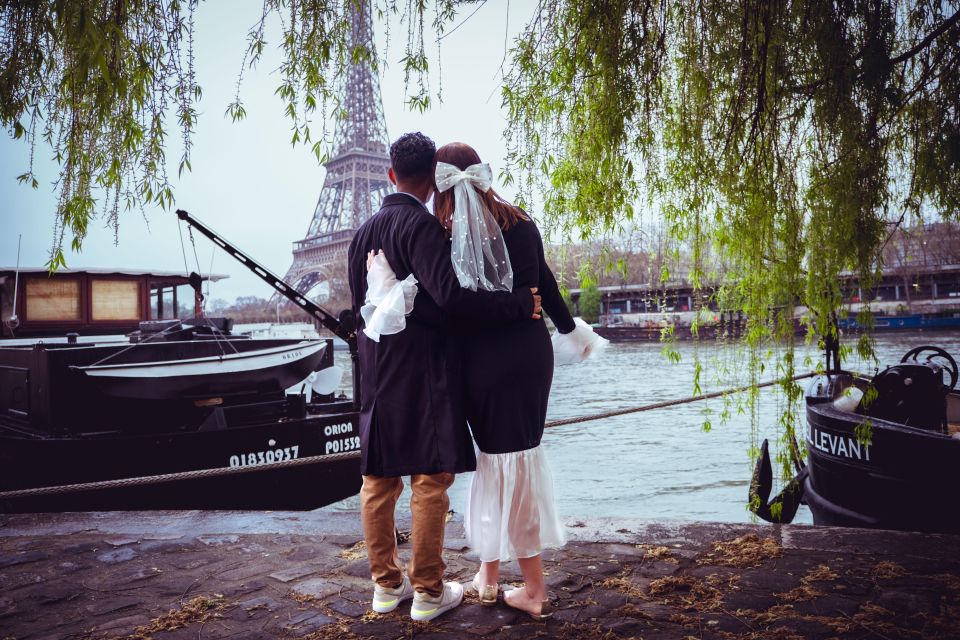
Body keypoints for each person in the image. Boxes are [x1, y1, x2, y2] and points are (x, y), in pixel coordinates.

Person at [346, 132, 542, 622]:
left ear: (390, 174)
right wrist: (520, 304)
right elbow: (452, 300)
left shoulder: (361, 235)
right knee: (430, 480)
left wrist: (390, 300)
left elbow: (358, 312)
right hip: (424, 370)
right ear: (434, 181)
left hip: (376, 372)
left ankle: (385, 587)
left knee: (377, 479)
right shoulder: (423, 229)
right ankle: (430, 593)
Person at [432, 142, 606, 619]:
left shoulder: (444, 235)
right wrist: (571, 330)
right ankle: (490, 576)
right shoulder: (521, 221)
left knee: (497, 465)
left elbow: (453, 307)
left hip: (480, 363)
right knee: (514, 463)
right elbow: (544, 284)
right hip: (529, 357)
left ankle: (533, 589)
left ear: (444, 182)